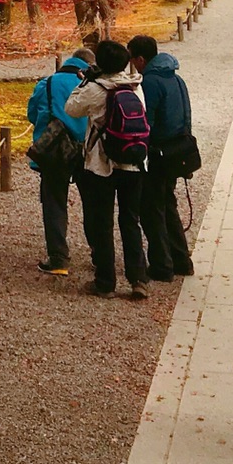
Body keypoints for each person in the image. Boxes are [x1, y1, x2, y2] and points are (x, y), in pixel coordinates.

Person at [65, 39, 152, 299]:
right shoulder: (135, 86)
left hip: (101, 164)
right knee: (130, 220)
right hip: (134, 162)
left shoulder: (95, 88)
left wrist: (85, 80)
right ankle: (138, 279)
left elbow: (71, 108)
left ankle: (106, 281)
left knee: (102, 222)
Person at [129, 33, 195, 279]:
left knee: (152, 209)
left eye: (133, 59)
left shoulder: (149, 83)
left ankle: (161, 265)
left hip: (157, 152)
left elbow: (148, 122)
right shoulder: (176, 78)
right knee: (168, 205)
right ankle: (181, 259)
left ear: (141, 59)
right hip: (177, 149)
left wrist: (141, 150)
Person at [26, 44, 95, 275]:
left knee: (54, 202)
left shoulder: (48, 83)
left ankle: (59, 260)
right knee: (94, 203)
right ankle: (99, 254)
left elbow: (32, 114)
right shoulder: (93, 84)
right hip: (88, 151)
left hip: (56, 151)